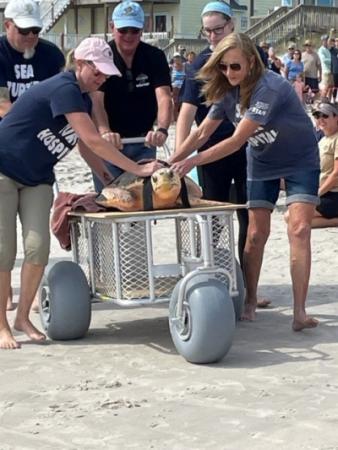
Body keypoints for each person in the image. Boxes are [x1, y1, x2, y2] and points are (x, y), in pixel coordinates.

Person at [0, 37, 162, 350]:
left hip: (37, 177)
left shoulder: (84, 100)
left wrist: (109, 179)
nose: (101, 78)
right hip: (4, 170)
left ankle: (22, 318)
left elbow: (84, 145)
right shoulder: (64, 87)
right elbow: (96, 139)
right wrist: (139, 169)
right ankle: (1, 326)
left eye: (105, 74)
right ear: (80, 64)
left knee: (37, 248)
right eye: (97, 72)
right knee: (4, 251)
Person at [170, 33, 320, 331]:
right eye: (223, 67)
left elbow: (237, 140)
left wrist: (192, 162)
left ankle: (299, 312)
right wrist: (172, 162)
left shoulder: (269, 87)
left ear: (251, 62)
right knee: (254, 234)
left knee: (300, 229)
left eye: (235, 67)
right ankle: (250, 299)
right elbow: (201, 134)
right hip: (262, 161)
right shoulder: (227, 91)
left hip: (299, 158)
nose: (229, 73)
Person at [174, 1, 270, 308]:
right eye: (208, 31)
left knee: (248, 215)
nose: (213, 36)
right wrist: (177, 158)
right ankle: (208, 280)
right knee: (211, 218)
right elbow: (187, 114)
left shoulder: (253, 54)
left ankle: (245, 286)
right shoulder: (199, 64)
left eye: (219, 29)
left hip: (250, 148)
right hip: (211, 149)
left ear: (232, 26)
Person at [0, 0, 66, 311]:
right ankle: (6, 293)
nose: (31, 37)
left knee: (35, 238)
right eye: (24, 30)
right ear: (7, 25)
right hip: (6, 150)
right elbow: (2, 106)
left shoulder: (52, 55)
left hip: (39, 156)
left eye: (36, 31)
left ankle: (30, 293)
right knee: (3, 239)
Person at [90, 1, 172, 192]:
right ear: (112, 27)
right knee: (110, 201)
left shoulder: (154, 56)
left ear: (142, 30)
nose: (128, 35)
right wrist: (104, 131)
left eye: (134, 30)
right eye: (123, 29)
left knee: (142, 204)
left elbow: (164, 97)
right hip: (110, 143)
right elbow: (96, 100)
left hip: (144, 141)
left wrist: (162, 129)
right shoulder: (103, 55)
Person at [311, 102, 338, 227]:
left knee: (294, 217)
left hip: (333, 194)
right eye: (317, 116)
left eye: (325, 116)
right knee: (292, 217)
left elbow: (336, 174)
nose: (320, 120)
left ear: (336, 117)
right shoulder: (323, 140)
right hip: (324, 193)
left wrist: (317, 194)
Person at [171, 54, 186, 121]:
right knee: (176, 103)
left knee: (183, 103)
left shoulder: (185, 66)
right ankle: (175, 119)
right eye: (176, 58)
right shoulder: (171, 67)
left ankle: (182, 118)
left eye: (178, 58)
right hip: (175, 87)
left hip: (183, 86)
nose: (177, 59)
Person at [318, 35, 333, 99]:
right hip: (326, 71)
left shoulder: (330, 49)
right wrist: (333, 60)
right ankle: (322, 101)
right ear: (322, 41)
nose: (326, 41)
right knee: (325, 88)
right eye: (325, 40)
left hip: (332, 71)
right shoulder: (321, 50)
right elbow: (324, 60)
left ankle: (329, 100)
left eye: (327, 40)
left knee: (331, 87)